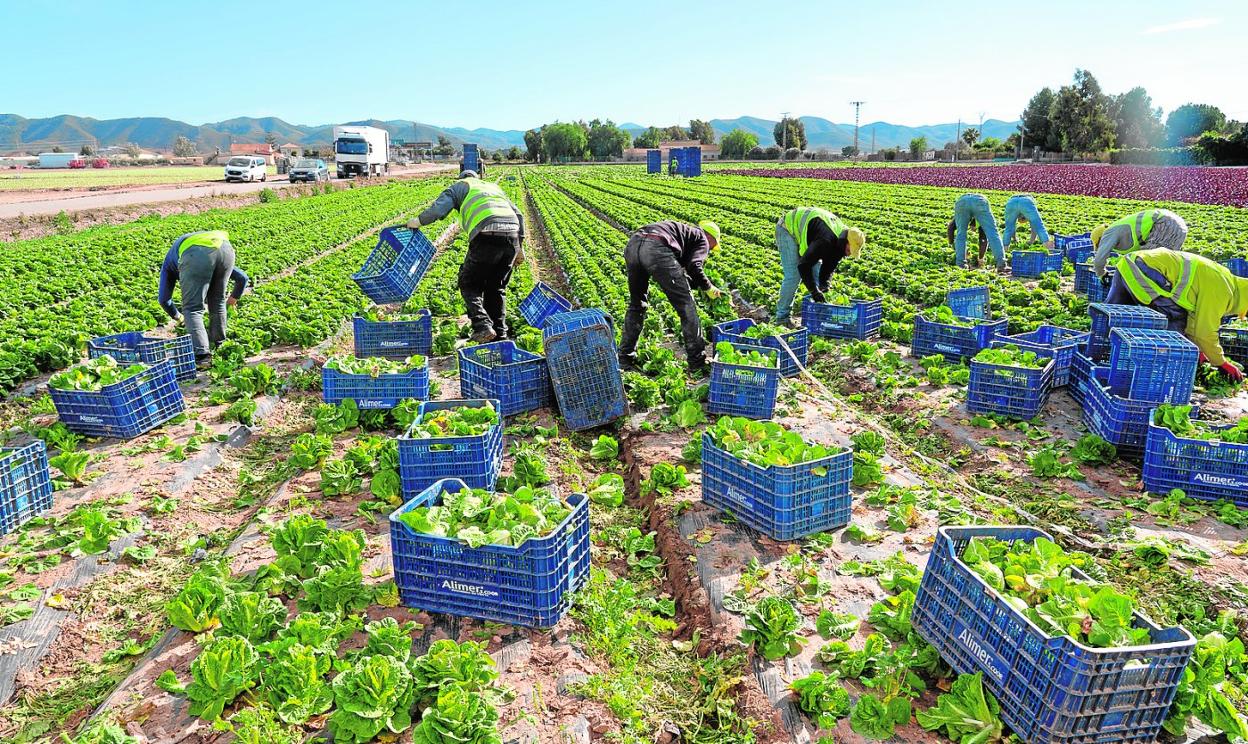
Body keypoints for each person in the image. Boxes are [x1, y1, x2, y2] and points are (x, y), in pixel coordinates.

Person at [409, 170, 524, 343]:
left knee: (468, 283)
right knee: (496, 287)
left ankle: (482, 325)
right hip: (512, 235)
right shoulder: (493, 187)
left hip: (486, 232)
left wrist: (417, 221)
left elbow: (437, 210)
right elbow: (519, 214)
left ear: (462, 179)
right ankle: (500, 335)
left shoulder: (459, 187)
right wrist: (520, 247)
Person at [1106, 248, 1248, 381]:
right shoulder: (1223, 291)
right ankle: (1162, 376)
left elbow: (1195, 323)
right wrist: (1221, 363)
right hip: (1145, 268)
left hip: (1130, 262)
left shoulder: (1227, 281)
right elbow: (1204, 331)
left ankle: (1105, 356)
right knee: (1175, 321)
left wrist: (1197, 349)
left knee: (1112, 318)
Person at [618, 219, 726, 372]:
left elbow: (683, 271)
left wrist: (697, 284)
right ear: (711, 238)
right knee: (686, 305)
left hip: (634, 244)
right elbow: (695, 266)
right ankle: (697, 360)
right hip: (656, 248)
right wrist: (708, 287)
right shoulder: (702, 238)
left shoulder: (684, 234)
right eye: (713, 247)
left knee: (637, 304)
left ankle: (624, 358)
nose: (709, 251)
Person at [157, 230, 248, 366]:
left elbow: (164, 299)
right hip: (224, 248)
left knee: (192, 308)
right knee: (218, 302)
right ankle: (220, 345)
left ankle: (202, 356)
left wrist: (179, 317)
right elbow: (243, 278)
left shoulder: (169, 265)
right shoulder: (178, 256)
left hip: (196, 254)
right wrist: (233, 299)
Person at [774, 207, 866, 324]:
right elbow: (804, 266)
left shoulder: (841, 241)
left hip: (811, 235)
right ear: (846, 241)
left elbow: (829, 265)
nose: (848, 254)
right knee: (794, 276)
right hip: (788, 229)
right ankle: (782, 317)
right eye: (849, 250)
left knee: (817, 276)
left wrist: (824, 285)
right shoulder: (826, 240)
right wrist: (814, 291)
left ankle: (817, 317)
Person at [1090, 208, 1188, 278]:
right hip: (1180, 226)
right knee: (1166, 264)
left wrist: (1101, 274)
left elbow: (1099, 259)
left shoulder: (1109, 232)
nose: (1100, 246)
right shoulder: (1122, 231)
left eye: (1099, 244)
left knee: (1146, 262)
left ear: (1100, 238)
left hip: (1164, 223)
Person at [947, 193, 1005, 270]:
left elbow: (950, 228)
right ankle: (1001, 264)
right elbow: (983, 239)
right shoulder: (982, 218)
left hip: (962, 202)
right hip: (979, 202)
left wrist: (954, 246)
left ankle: (960, 264)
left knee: (961, 234)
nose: (973, 230)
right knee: (992, 233)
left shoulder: (979, 222)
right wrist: (981, 259)